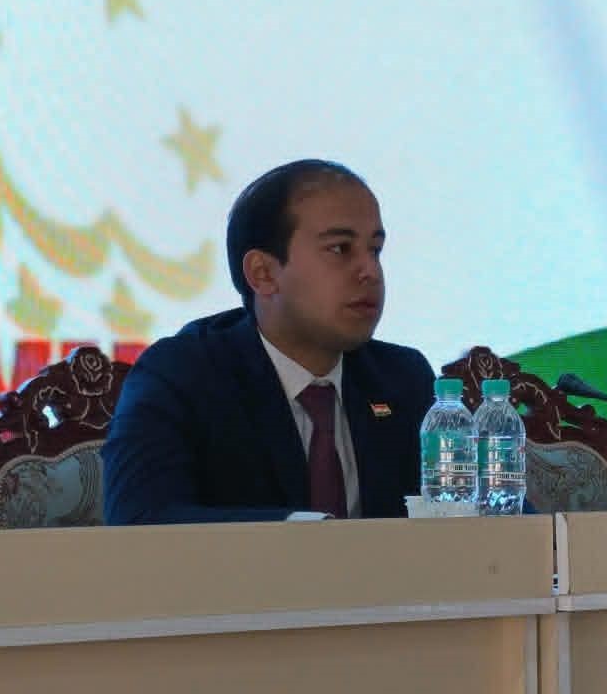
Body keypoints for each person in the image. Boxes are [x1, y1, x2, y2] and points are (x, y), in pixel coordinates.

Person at [102, 159, 435, 524]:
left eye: (375, 250)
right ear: (262, 274)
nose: (370, 272)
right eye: (341, 249)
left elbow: (451, 517)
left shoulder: (402, 379)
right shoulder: (182, 375)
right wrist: (308, 535)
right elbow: (140, 520)